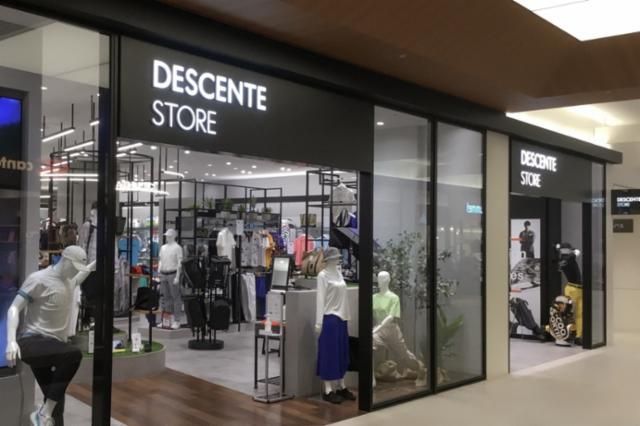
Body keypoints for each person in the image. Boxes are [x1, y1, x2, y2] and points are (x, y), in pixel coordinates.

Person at [5, 246, 95, 426]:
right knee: (73, 355)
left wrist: (96, 263)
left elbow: (80, 276)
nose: (75, 272)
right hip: (32, 341)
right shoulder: (38, 279)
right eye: (74, 267)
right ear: (66, 261)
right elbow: (14, 307)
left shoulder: (69, 281)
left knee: (55, 399)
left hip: (54, 346)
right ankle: (43, 413)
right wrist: (11, 341)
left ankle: (46, 415)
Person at [315, 247, 355, 404]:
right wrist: (319, 322)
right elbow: (320, 299)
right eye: (336, 258)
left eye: (338, 257)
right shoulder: (323, 276)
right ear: (329, 260)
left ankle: (341, 385)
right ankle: (328, 389)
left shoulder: (338, 273)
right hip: (329, 317)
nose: (338, 260)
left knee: (342, 352)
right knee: (329, 353)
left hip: (342, 318)